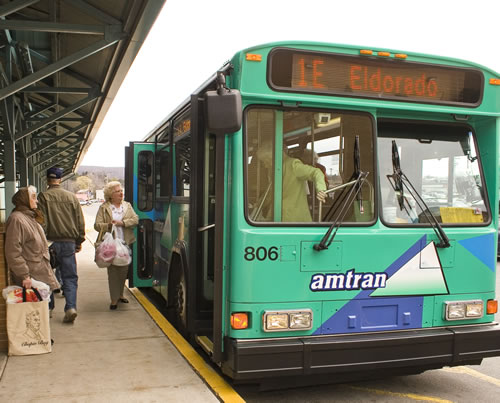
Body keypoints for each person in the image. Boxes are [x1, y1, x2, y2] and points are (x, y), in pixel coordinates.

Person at [37, 167, 85, 323]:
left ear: (47, 179)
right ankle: (71, 307)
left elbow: (41, 222)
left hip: (49, 242)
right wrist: (79, 241)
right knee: (70, 277)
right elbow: (80, 221)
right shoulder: (71, 197)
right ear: (60, 179)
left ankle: (49, 308)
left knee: (47, 276)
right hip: (69, 243)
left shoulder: (43, 197)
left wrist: (41, 242)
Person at [4, 186, 60, 310]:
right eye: (33, 197)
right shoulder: (17, 219)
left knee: (45, 310)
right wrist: (24, 276)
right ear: (24, 200)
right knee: (36, 312)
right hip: (32, 275)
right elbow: (13, 251)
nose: (37, 200)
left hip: (40, 271)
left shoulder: (30, 217)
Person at [94, 181, 138, 310]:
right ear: (110, 195)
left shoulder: (127, 206)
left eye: (121, 191)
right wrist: (108, 225)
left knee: (123, 270)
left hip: (125, 243)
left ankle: (120, 294)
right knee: (113, 272)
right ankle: (114, 299)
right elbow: (97, 225)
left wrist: (122, 223)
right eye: (118, 191)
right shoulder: (104, 207)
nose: (121, 193)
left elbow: (135, 219)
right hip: (110, 246)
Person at [255, 148, 327, 222]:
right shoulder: (275, 169)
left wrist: (321, 190)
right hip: (278, 215)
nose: (265, 166)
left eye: (266, 161)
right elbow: (271, 192)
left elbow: (316, 172)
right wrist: (258, 205)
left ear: (273, 157)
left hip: (294, 218)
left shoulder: (293, 164)